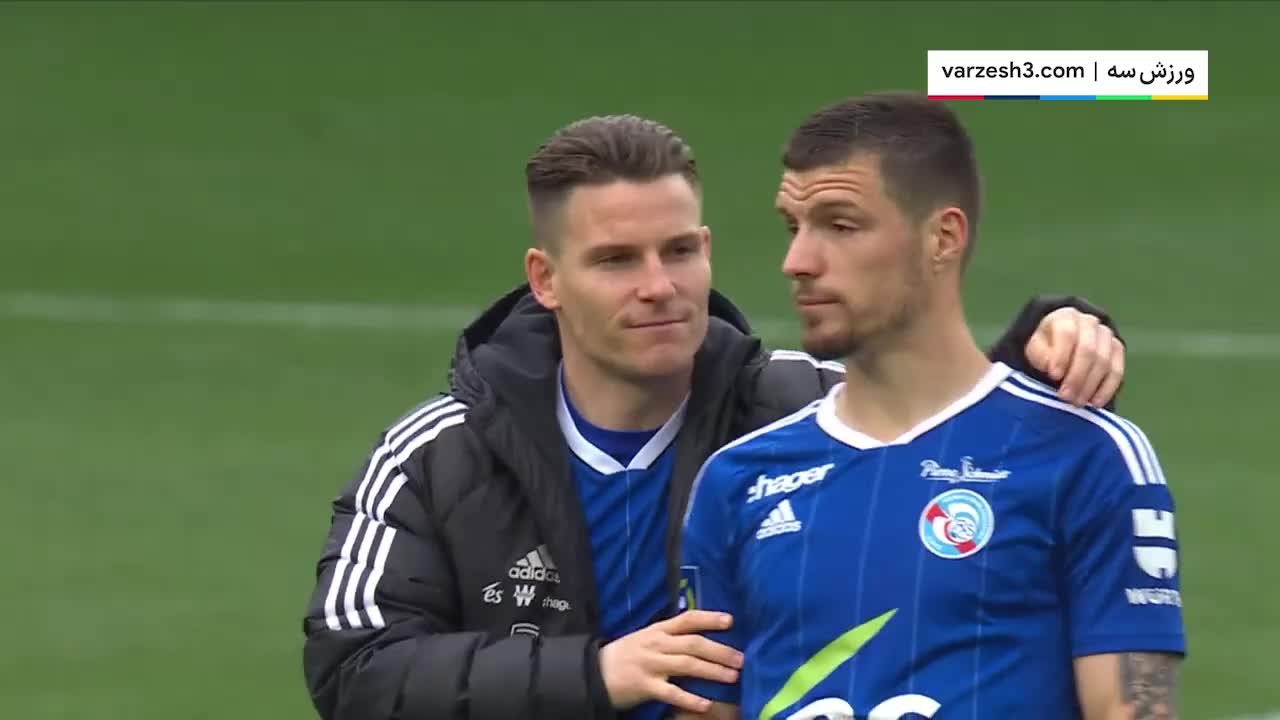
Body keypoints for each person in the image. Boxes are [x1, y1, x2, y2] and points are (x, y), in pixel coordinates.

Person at [300, 113, 1131, 720]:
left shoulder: (806, 405)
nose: (659, 286)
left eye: (679, 251)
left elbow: (960, 425)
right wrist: (596, 674)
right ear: (546, 280)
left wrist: (1052, 342)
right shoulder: (439, 455)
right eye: (616, 260)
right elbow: (357, 668)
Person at [676, 93, 1183, 720]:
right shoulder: (737, 480)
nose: (797, 262)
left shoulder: (1085, 455)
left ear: (942, 237)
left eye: (840, 226)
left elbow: (1131, 710)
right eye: (793, 227)